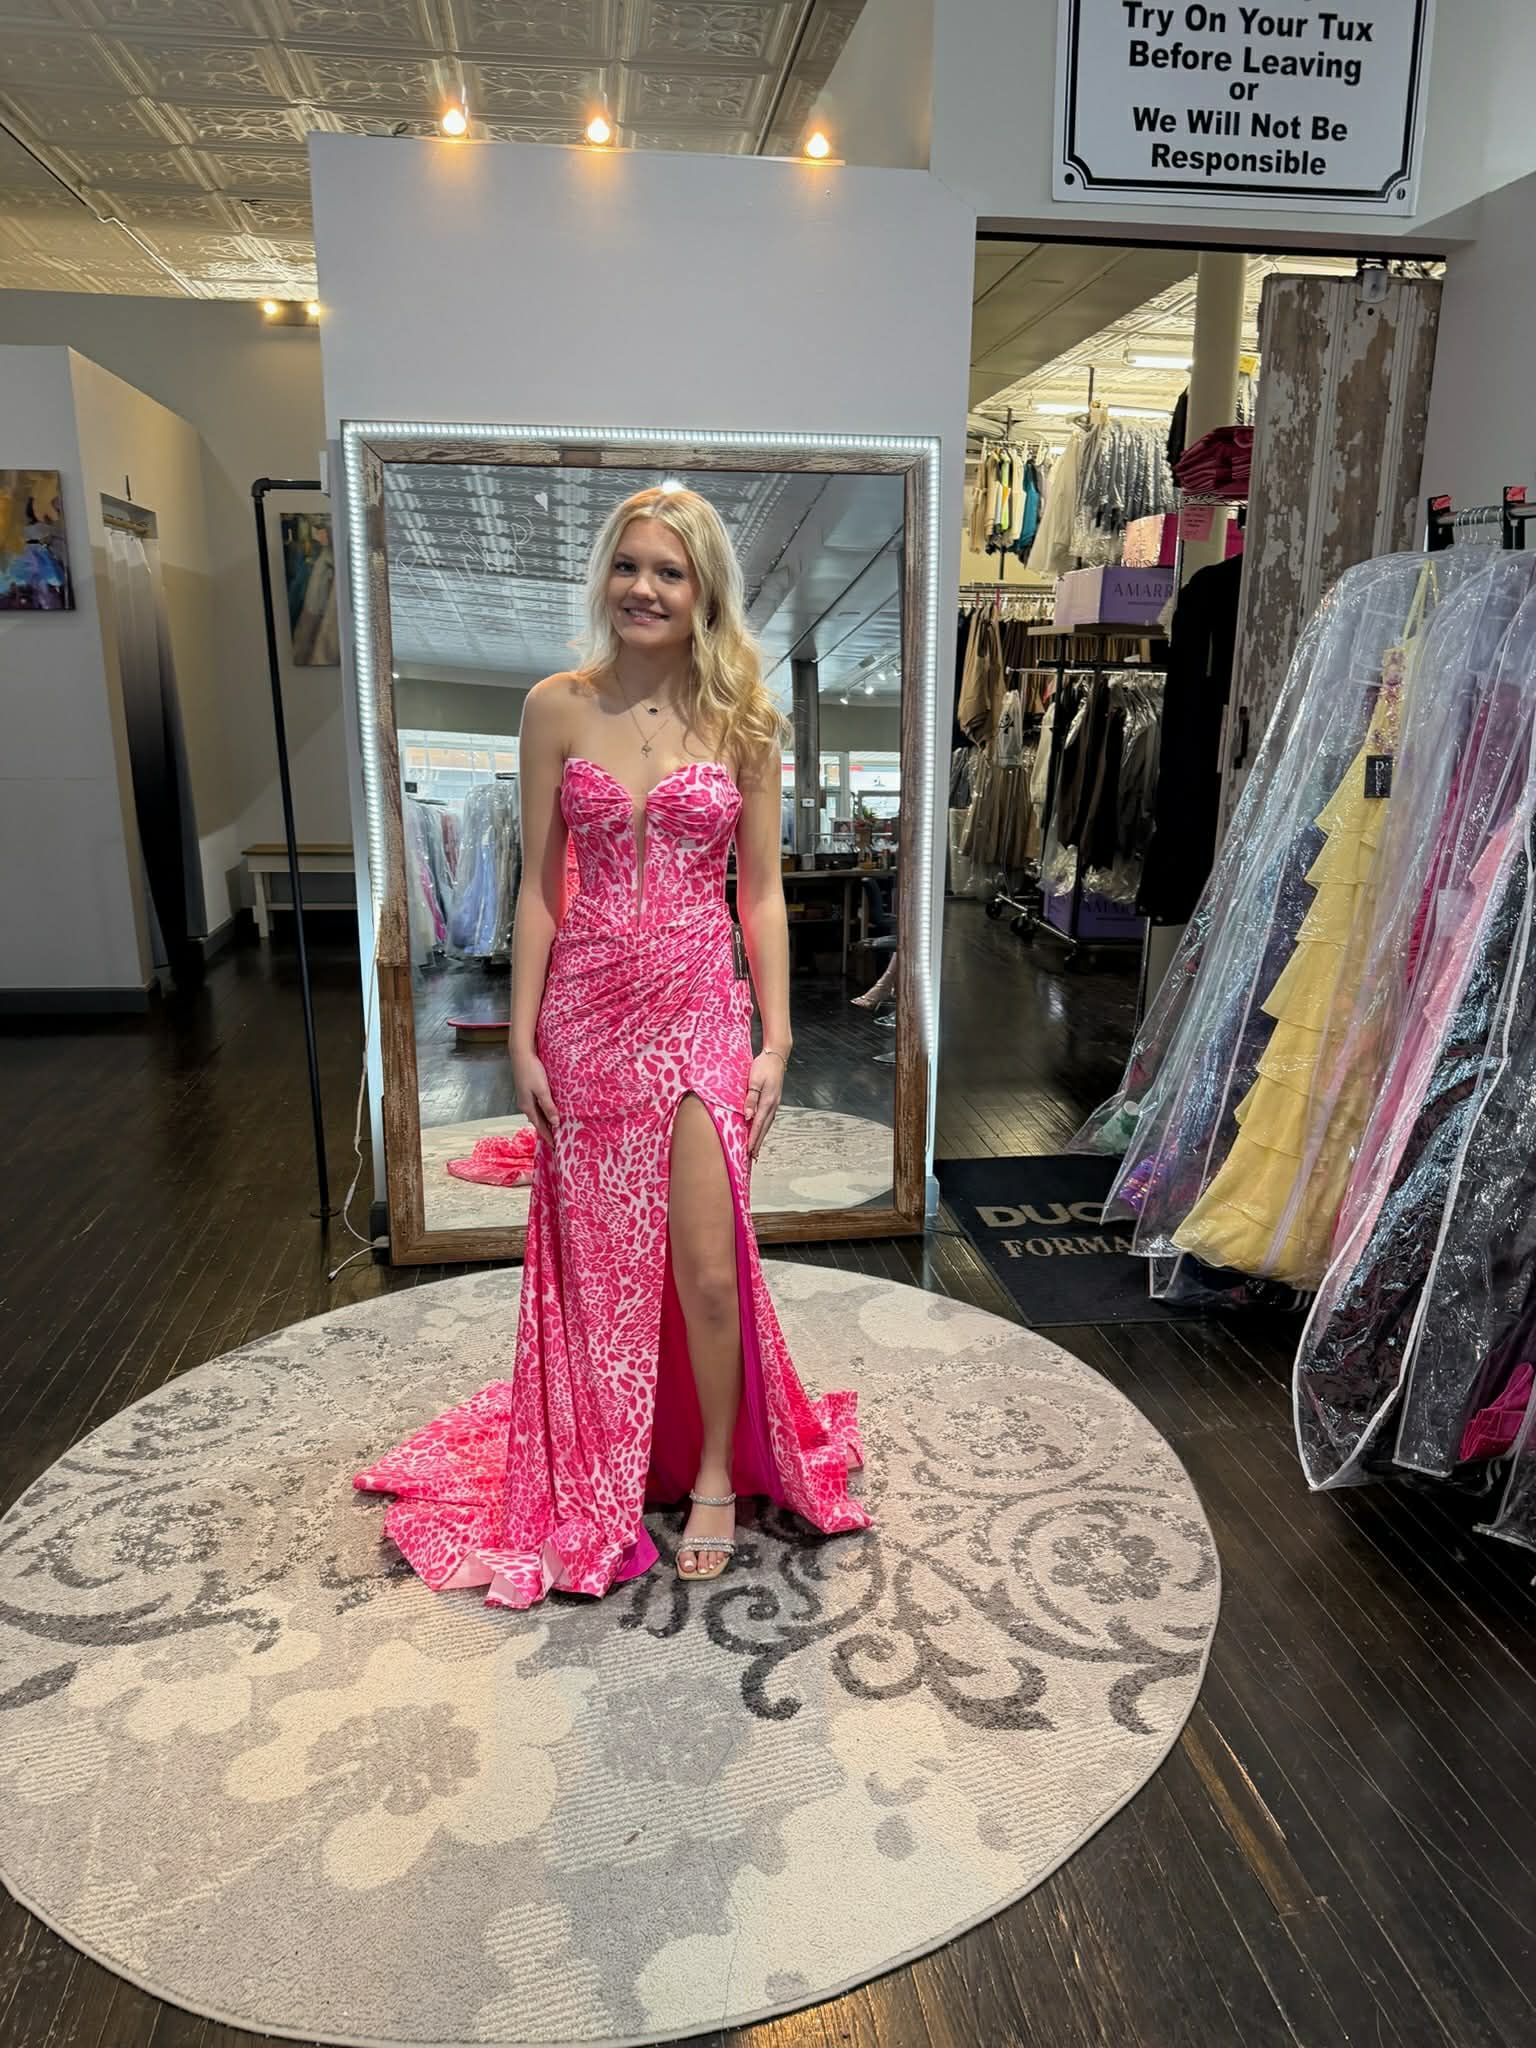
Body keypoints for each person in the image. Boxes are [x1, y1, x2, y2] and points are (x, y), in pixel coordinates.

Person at [353, 485, 872, 1606]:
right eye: (629, 566)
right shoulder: (555, 708)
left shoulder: (746, 723)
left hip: (694, 1008)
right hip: (586, 1015)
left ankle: (722, 1472)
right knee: (599, 1271)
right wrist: (526, 1038)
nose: (645, 587)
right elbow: (541, 888)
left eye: (670, 571)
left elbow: (764, 895)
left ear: (704, 593)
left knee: (704, 1264)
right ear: (607, 579)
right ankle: (607, 1452)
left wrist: (776, 1036)